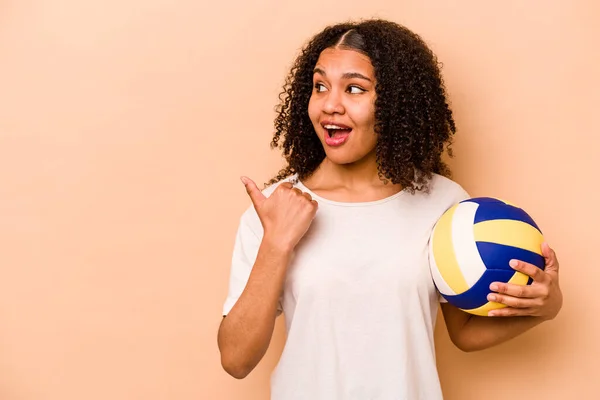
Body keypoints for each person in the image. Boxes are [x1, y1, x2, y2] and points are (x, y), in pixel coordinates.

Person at [217, 19, 563, 399]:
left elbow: (463, 333)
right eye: (320, 86)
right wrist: (276, 244)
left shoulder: (444, 205)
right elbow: (236, 360)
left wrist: (547, 307)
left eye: (354, 89)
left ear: (396, 103)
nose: (331, 105)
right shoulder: (274, 210)